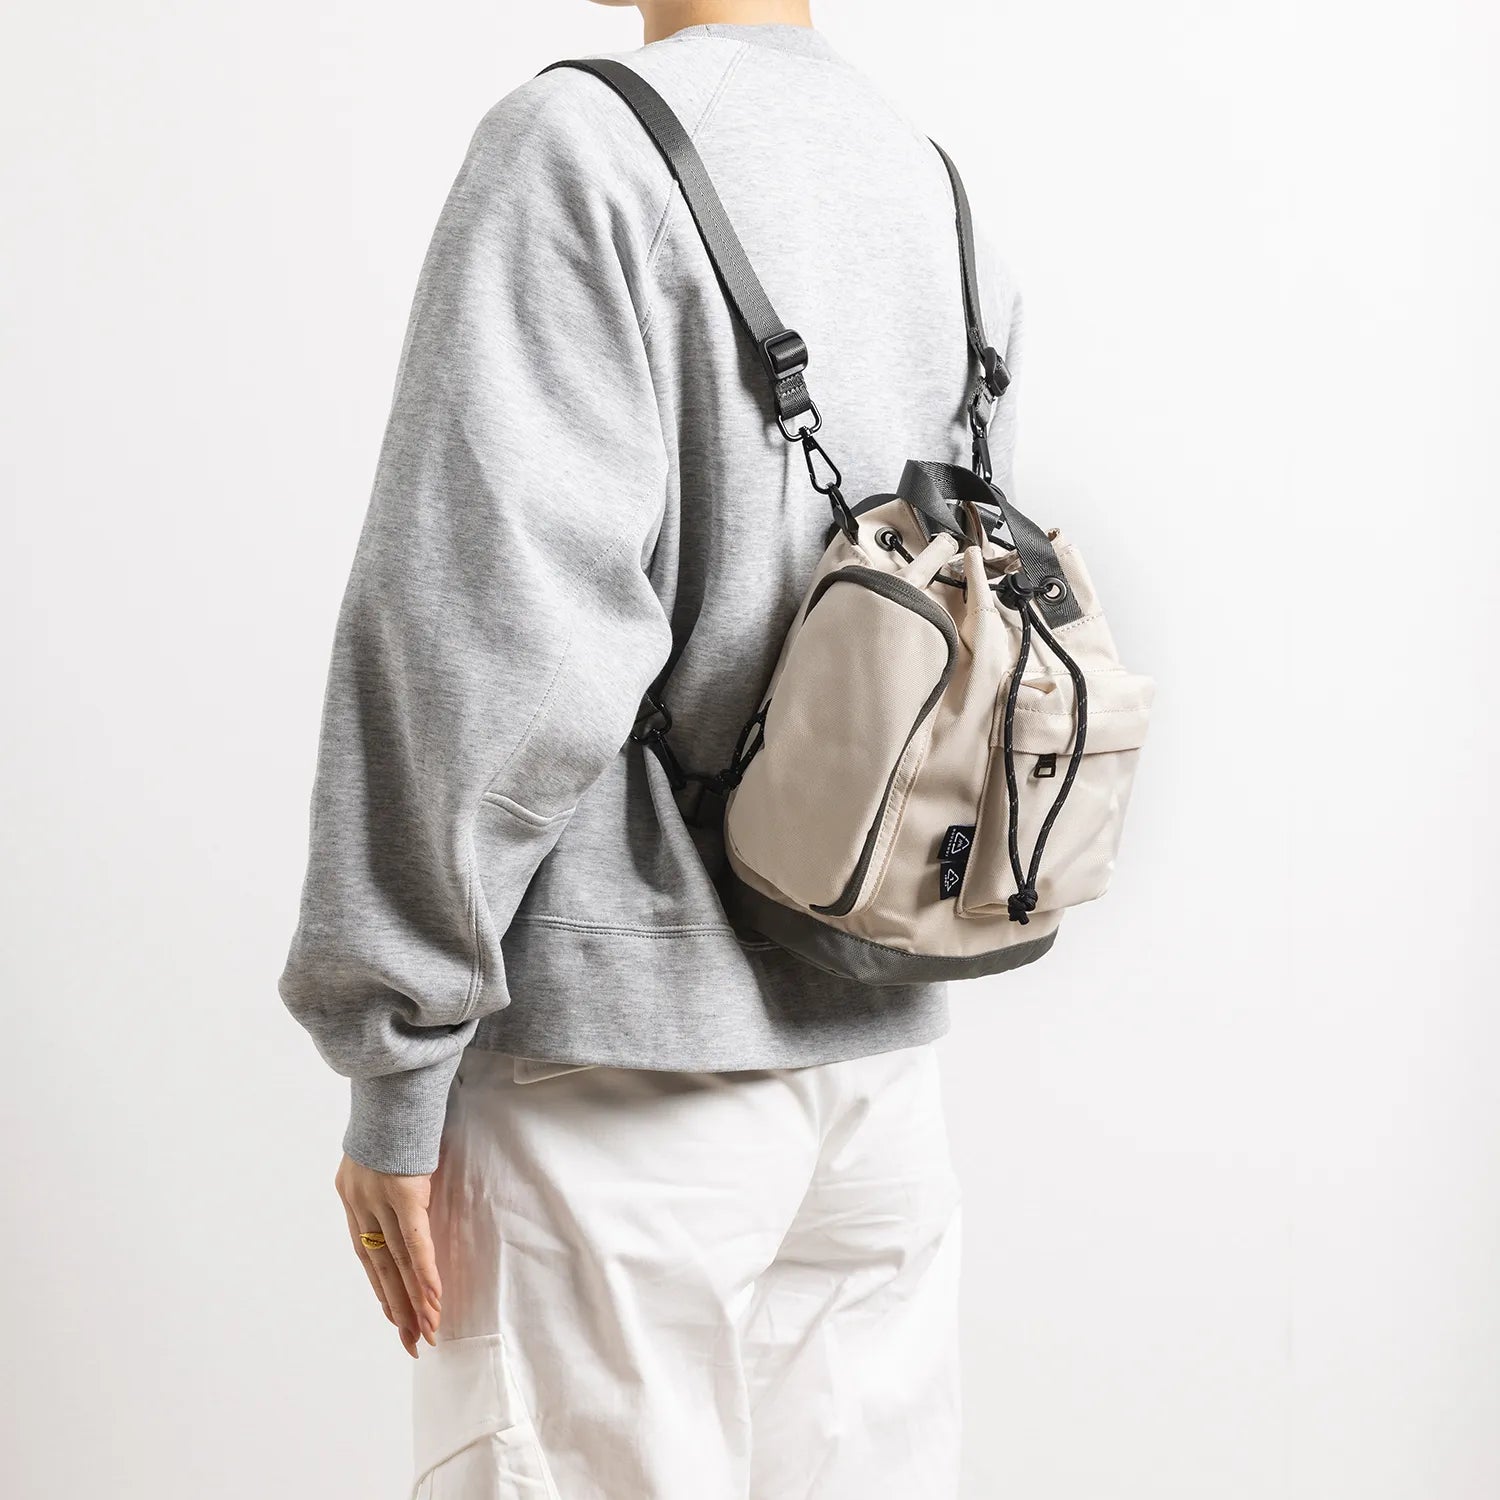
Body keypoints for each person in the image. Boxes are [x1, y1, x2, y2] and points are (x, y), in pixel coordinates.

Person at [280, 1, 1021, 1492]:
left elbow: (483, 631)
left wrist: (394, 1050)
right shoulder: (928, 179)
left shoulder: (577, 146)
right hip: (877, 1079)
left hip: (617, 1078)